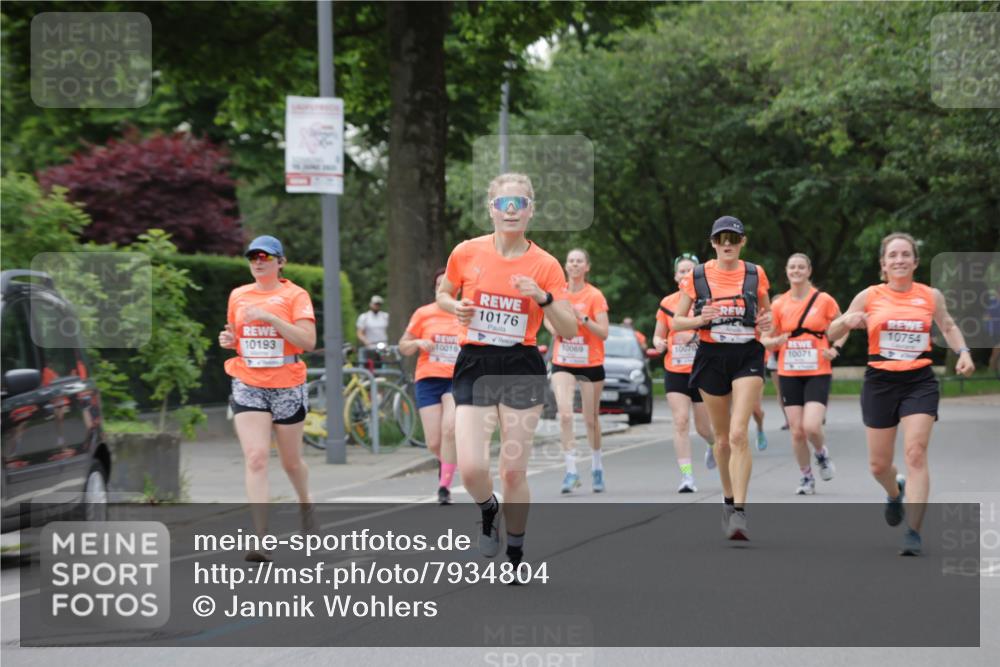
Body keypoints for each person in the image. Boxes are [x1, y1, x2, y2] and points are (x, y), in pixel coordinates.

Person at [436, 173, 577, 571]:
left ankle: (515, 549)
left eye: (520, 204)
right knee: (474, 468)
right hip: (475, 362)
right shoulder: (466, 252)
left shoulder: (546, 264)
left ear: (531, 210)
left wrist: (543, 297)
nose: (511, 210)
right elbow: (443, 293)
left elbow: (567, 328)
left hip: (520, 364)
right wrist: (454, 307)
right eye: (504, 203)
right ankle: (487, 509)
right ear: (491, 209)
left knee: (512, 470)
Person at [828, 232, 974, 556]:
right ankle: (895, 493)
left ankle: (913, 531)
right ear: (883, 263)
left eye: (905, 254)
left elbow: (947, 325)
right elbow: (831, 331)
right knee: (879, 466)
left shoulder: (930, 295)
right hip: (880, 381)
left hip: (919, 381)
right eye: (892, 255)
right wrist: (846, 321)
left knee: (915, 453)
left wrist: (963, 351)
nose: (899, 260)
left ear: (915, 261)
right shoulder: (869, 295)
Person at [670, 216, 772, 541]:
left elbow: (766, 315)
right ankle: (728, 501)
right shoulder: (697, 276)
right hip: (711, 357)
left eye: (733, 238)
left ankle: (740, 512)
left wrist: (767, 322)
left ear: (742, 242)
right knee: (722, 438)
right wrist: (701, 318)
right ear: (713, 243)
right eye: (721, 239)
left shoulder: (756, 274)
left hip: (747, 355)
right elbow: (676, 323)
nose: (727, 244)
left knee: (740, 433)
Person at [218, 235, 317, 562]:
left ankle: (305, 503)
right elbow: (237, 338)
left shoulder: (295, 295)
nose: (258, 261)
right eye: (252, 257)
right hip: (248, 380)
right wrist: (229, 339)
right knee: (257, 457)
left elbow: (308, 341)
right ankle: (261, 538)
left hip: (287, 383)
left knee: (291, 461)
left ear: (280, 262)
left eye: (265, 256)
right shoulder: (238, 295)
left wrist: (272, 318)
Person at [761, 253, 847, 495]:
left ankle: (821, 454)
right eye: (792, 267)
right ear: (787, 272)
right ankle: (806, 477)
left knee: (811, 426)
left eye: (801, 267)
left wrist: (835, 348)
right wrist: (774, 340)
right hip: (789, 371)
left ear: (809, 271)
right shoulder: (778, 305)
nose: (796, 271)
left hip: (818, 369)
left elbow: (843, 326)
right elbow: (766, 339)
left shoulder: (824, 300)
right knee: (797, 430)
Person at [544, 248, 610, 494]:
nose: (574, 264)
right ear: (565, 266)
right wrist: (555, 329)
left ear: (587, 267)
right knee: (565, 415)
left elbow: (603, 332)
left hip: (591, 363)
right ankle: (571, 471)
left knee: (590, 420)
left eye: (579, 261)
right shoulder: (557, 292)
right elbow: (546, 316)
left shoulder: (594, 295)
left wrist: (582, 319)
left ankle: (596, 466)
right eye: (570, 260)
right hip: (564, 361)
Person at [653, 252, 716, 493]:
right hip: (675, 369)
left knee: (703, 427)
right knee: (680, 421)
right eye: (681, 271)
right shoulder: (667, 303)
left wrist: (695, 337)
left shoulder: (706, 302)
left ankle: (711, 443)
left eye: (690, 271)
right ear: (675, 276)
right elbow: (658, 334)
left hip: (702, 370)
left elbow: (716, 335)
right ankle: (687, 477)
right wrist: (659, 342)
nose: (685, 275)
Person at [399, 269, 462, 505]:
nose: (441, 289)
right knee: (434, 442)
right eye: (438, 285)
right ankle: (447, 461)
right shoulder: (423, 314)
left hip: (456, 380)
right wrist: (416, 342)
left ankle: (444, 487)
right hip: (428, 379)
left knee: (450, 429)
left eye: (446, 285)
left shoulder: (464, 314)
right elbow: (403, 345)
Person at [357, 295, 389, 366]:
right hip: (370, 347)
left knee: (383, 366)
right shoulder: (364, 317)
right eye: (375, 304)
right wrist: (366, 341)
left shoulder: (385, 316)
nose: (377, 306)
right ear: (371, 304)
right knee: (370, 367)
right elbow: (360, 333)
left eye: (378, 304)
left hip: (383, 346)